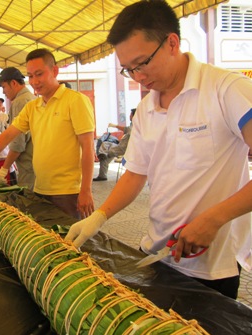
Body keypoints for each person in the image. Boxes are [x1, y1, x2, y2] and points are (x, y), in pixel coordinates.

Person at [65, 0, 252, 300]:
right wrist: (99, 216)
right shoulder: (147, 108)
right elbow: (136, 173)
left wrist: (214, 218)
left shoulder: (226, 90)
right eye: (128, 69)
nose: (138, 77)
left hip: (210, 267)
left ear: (172, 43)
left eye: (142, 63)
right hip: (156, 251)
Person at [0, 48, 95, 220]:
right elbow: (7, 136)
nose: (34, 81)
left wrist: (86, 190)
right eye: (30, 76)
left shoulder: (76, 101)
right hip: (40, 188)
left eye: (39, 74)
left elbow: (88, 147)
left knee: (70, 242)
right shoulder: (32, 107)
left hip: (68, 192)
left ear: (54, 71)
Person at [0, 67, 36, 189]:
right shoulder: (31, 98)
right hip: (35, 164)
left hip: (29, 167)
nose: (3, 92)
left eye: (4, 87)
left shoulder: (20, 102)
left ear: (14, 83)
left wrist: (5, 168)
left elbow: (18, 142)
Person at [93, 108, 136, 181]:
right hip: (121, 145)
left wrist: (115, 126)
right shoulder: (135, 124)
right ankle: (102, 155)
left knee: (105, 154)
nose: (129, 116)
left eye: (130, 114)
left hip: (123, 148)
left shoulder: (135, 126)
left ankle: (102, 173)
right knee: (106, 144)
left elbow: (127, 130)